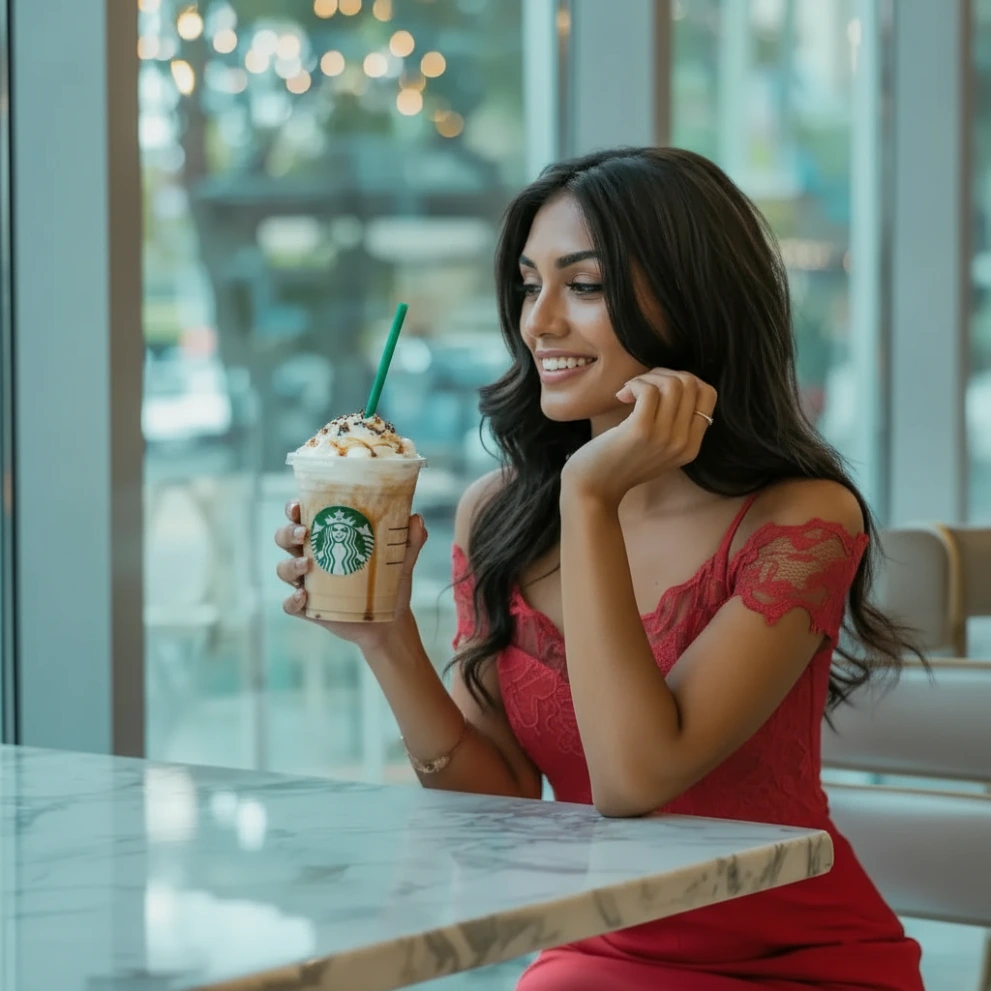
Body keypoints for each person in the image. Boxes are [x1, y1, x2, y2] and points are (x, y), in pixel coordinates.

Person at [275, 147, 924, 990]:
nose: (538, 323)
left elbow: (632, 779)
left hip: (800, 960)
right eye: (528, 285)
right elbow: (499, 802)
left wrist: (588, 495)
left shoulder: (802, 518)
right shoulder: (497, 513)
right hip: (599, 946)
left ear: (690, 300)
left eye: (582, 285)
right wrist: (385, 636)